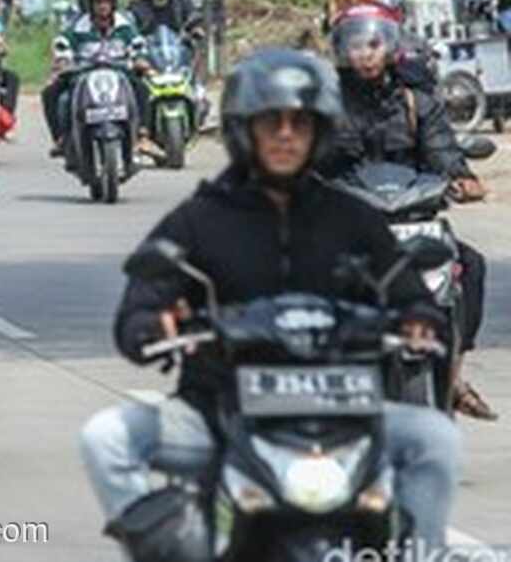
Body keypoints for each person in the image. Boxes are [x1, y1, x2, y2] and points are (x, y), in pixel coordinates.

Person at [79, 48, 461, 557]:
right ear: (244, 130)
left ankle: (421, 552)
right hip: (218, 413)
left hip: (349, 416)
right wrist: (154, 324)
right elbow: (141, 306)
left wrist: (419, 320)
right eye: (271, 122)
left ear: (319, 131)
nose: (285, 134)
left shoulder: (354, 220)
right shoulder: (197, 220)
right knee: (106, 438)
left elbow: (411, 294)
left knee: (436, 438)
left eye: (299, 123)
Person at [320, 2, 495, 420]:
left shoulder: (419, 103)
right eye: (356, 45)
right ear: (342, 51)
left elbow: (443, 154)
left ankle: (452, 373)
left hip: (415, 221)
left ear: (391, 48)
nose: (365, 53)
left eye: (373, 44)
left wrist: (462, 178)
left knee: (469, 265)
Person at [41, 0, 142, 157]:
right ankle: (62, 138)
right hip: (83, 74)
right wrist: (62, 62)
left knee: (142, 89)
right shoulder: (77, 27)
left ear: (114, 2)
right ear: (89, 4)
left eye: (107, 0)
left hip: (119, 73)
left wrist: (140, 60)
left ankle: (142, 136)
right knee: (54, 95)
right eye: (97, 1)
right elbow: (62, 44)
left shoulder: (124, 25)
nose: (103, 5)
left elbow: (138, 45)